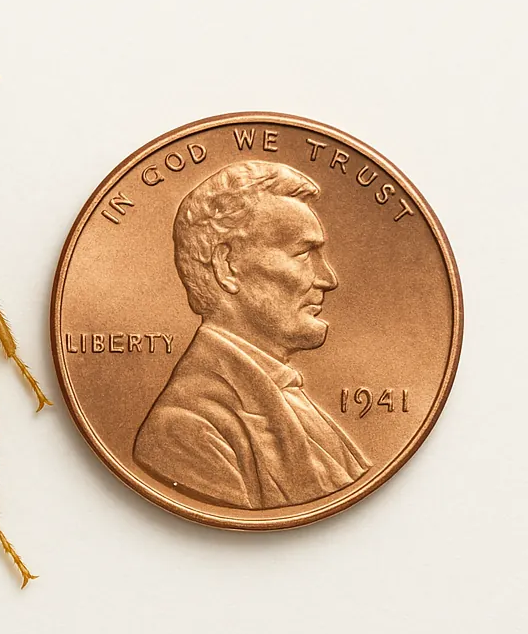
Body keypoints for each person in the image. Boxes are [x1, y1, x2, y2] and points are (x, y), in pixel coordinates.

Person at [133, 160, 368, 509]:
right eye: (303, 253)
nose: (328, 278)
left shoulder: (284, 394)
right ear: (226, 266)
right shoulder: (186, 428)